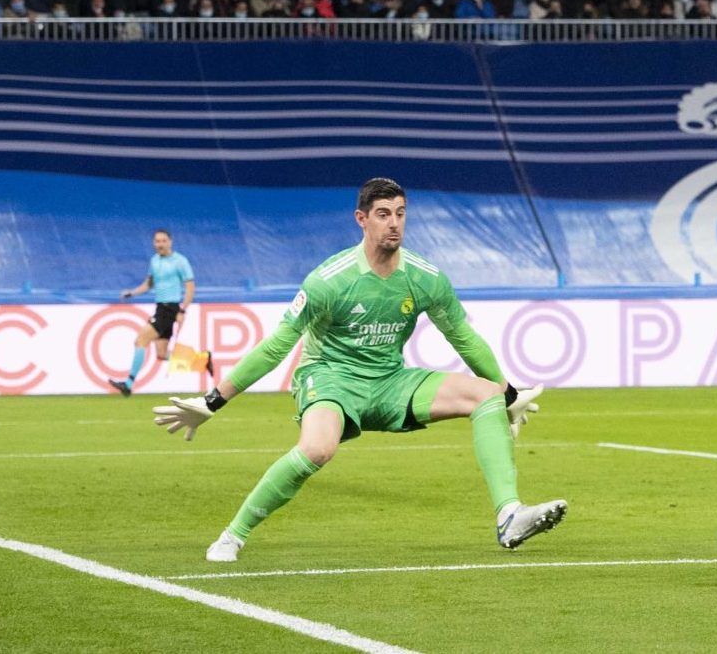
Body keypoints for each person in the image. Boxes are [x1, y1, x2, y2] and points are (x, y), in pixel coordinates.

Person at [152, 178, 565, 562]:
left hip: (389, 381)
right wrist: (213, 400)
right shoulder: (329, 281)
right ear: (361, 219)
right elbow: (278, 344)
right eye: (383, 214)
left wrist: (507, 394)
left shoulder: (425, 278)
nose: (394, 223)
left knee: (486, 395)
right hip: (329, 377)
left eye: (401, 213)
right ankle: (233, 535)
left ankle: (510, 515)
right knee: (317, 449)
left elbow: (464, 338)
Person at [109, 229, 211, 397]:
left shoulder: (180, 261)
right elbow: (149, 284)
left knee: (140, 341)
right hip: (160, 308)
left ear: (170, 242)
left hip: (169, 308)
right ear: (153, 243)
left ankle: (128, 384)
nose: (160, 244)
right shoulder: (154, 261)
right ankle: (202, 360)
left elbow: (190, 287)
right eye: (157, 241)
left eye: (163, 241)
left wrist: (182, 309)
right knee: (162, 354)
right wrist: (132, 293)